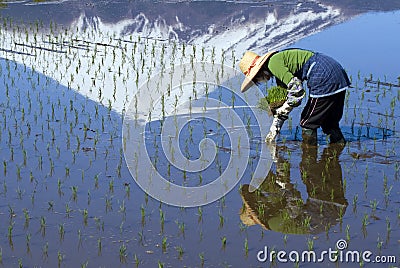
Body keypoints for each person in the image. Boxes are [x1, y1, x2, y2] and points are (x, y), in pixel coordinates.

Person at [239, 48, 350, 145]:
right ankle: (338, 148)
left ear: (259, 72)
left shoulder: (273, 64)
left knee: (308, 122)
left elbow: (297, 91)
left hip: (323, 75)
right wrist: (276, 125)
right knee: (329, 123)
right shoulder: (278, 61)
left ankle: (309, 157)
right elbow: (287, 97)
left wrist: (284, 109)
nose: (261, 81)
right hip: (337, 72)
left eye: (257, 79)